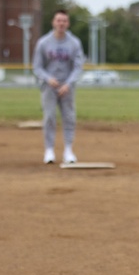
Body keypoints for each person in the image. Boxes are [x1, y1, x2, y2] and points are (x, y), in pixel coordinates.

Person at [32, 9, 85, 164]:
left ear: (67, 23)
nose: (61, 23)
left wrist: (68, 83)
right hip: (49, 86)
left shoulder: (74, 43)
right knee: (49, 117)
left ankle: (68, 150)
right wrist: (48, 79)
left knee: (69, 117)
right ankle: (49, 150)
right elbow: (37, 67)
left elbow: (78, 66)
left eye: (64, 21)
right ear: (53, 22)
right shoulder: (44, 42)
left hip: (67, 86)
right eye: (58, 20)